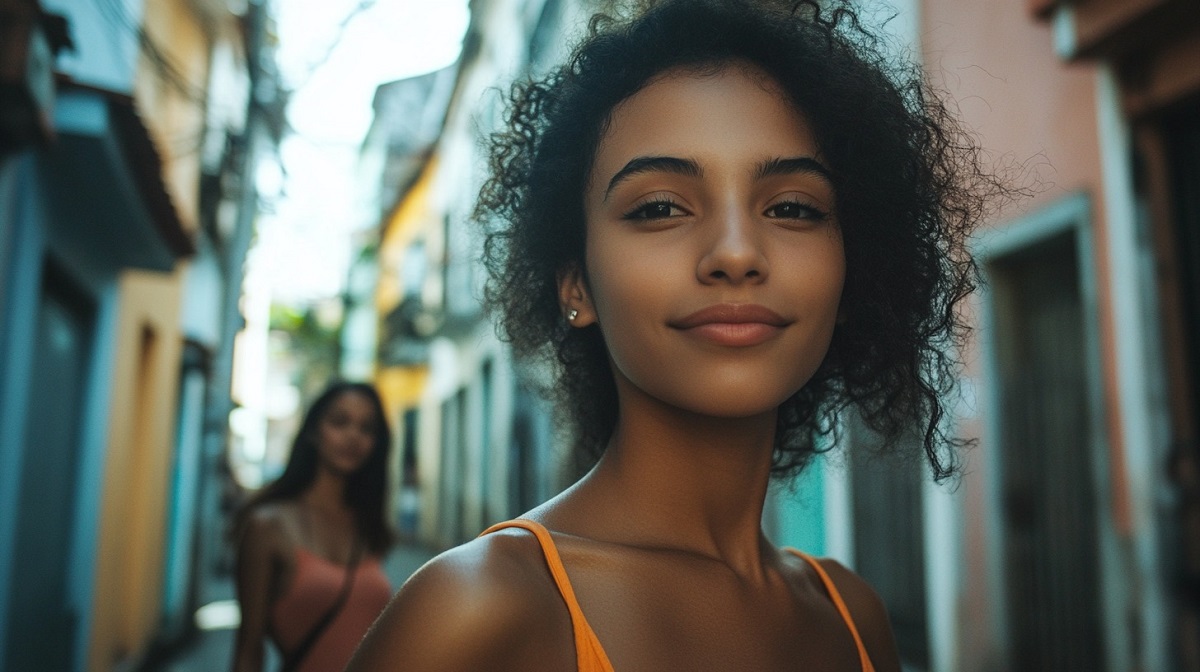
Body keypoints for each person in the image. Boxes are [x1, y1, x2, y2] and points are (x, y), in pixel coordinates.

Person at [350, 1, 1002, 670]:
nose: (737, 252)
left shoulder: (854, 619)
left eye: (792, 208)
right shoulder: (479, 610)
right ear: (575, 284)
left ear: (848, 274)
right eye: (660, 207)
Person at [232, 382, 395, 672]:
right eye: (339, 422)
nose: (353, 436)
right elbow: (248, 649)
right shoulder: (268, 525)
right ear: (313, 431)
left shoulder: (368, 525)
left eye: (366, 428)